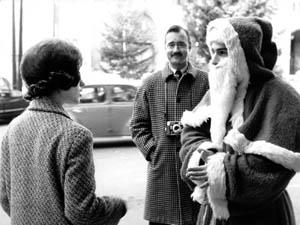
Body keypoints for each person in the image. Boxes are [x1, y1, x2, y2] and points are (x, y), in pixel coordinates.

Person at [179, 17, 300, 225]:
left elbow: (273, 168)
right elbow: (191, 132)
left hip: (263, 217)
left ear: (242, 55)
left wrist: (220, 171)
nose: (213, 61)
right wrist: (203, 157)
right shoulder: (217, 93)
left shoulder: (280, 95)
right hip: (214, 215)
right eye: (212, 52)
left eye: (222, 52)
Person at [0, 39, 127, 225]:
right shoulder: (75, 135)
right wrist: (117, 206)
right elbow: (83, 213)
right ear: (63, 78)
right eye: (77, 72)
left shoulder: (12, 128)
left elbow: (5, 198)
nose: (82, 82)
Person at [130, 25, 209, 225]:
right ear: (165, 48)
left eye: (181, 44)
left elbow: (219, 122)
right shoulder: (150, 84)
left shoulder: (206, 82)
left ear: (189, 47)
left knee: (197, 219)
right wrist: (153, 152)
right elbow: (137, 126)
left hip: (197, 169)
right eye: (171, 44)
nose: (176, 49)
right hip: (162, 172)